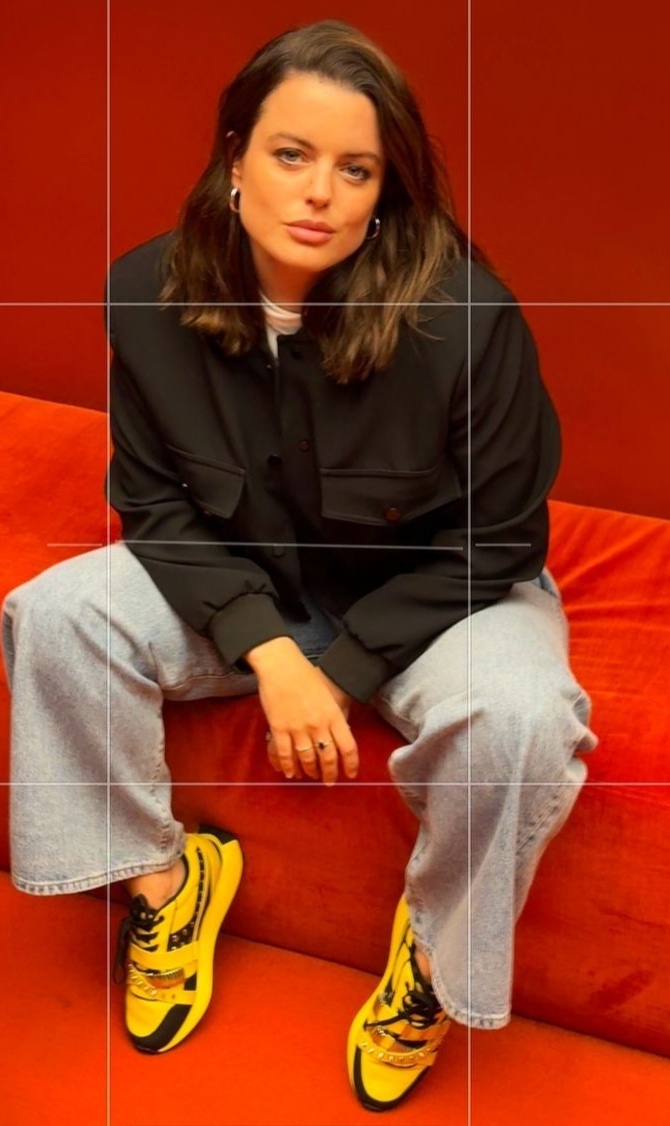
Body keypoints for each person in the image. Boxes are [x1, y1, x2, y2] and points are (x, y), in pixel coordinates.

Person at [1, 19, 597, 1113]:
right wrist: (269, 652)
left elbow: (501, 541)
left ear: (385, 190)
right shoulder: (145, 293)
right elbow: (154, 505)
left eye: (355, 168)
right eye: (291, 154)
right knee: (53, 614)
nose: (320, 192)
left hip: (442, 600)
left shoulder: (466, 319)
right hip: (248, 582)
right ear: (235, 156)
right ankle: (167, 882)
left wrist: (346, 666)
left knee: (522, 715)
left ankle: (431, 956)